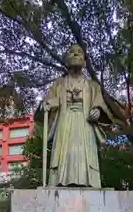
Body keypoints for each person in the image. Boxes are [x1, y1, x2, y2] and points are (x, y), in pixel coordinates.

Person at [36, 44, 115, 188]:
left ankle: (88, 180)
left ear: (85, 61)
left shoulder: (92, 85)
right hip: (64, 122)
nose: (76, 54)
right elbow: (46, 104)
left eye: (79, 52)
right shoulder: (59, 84)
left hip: (85, 123)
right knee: (63, 154)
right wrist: (51, 103)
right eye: (71, 52)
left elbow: (100, 105)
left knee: (85, 154)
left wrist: (97, 111)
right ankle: (59, 180)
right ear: (66, 60)